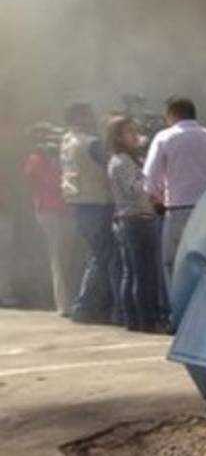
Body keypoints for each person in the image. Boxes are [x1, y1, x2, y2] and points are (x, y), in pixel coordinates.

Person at [143, 96, 206, 294]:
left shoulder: (164, 137)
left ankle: (177, 313)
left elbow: (150, 179)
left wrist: (156, 201)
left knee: (173, 263)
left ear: (171, 115)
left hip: (178, 210)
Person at [60, 102, 120, 324]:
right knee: (101, 257)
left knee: (95, 256)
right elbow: (111, 165)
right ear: (81, 118)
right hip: (96, 203)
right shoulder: (91, 143)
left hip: (79, 204)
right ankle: (84, 306)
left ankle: (92, 306)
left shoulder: (66, 140)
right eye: (89, 115)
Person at [106, 116, 160, 332]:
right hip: (135, 219)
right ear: (119, 136)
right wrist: (148, 170)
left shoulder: (126, 159)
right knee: (141, 272)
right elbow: (134, 189)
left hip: (132, 219)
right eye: (130, 132)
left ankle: (133, 319)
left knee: (133, 272)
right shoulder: (122, 161)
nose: (136, 136)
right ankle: (145, 319)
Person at [23, 124, 83, 316]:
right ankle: (64, 305)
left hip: (65, 210)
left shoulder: (60, 157)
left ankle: (74, 300)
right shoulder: (36, 159)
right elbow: (45, 181)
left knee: (70, 257)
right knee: (58, 258)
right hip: (49, 212)